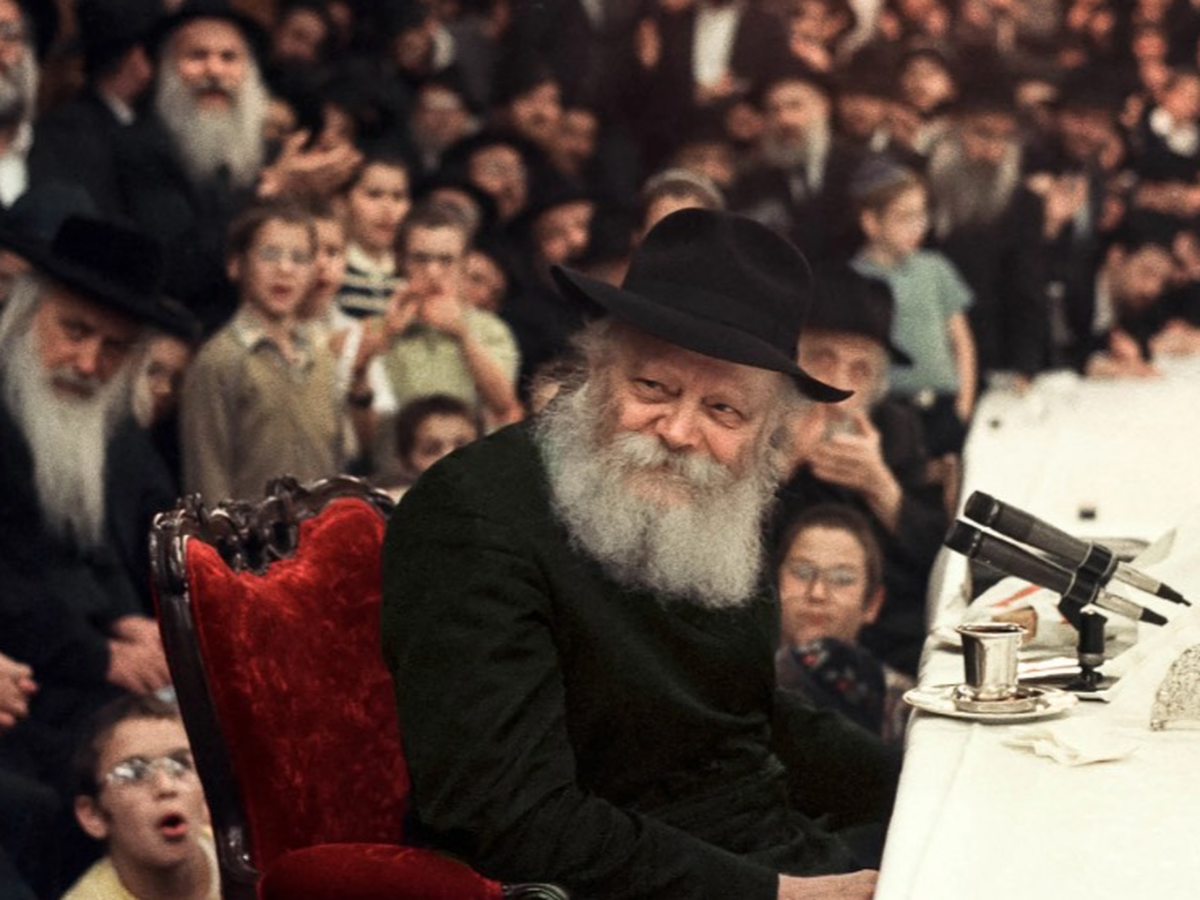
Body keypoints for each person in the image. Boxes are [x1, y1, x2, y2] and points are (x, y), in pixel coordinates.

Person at [383, 208, 898, 900]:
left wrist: (921, 779)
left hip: (766, 842)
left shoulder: (715, 495)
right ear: (597, 370)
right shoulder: (473, 515)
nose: (679, 431)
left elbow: (744, 714)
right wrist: (778, 894)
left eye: (723, 411)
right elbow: (507, 816)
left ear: (766, 433)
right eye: (653, 388)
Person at [781, 263, 947, 677]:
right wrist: (784, 466)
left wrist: (883, 490)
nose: (838, 387)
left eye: (859, 370)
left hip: (882, 639)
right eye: (823, 361)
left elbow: (940, 557)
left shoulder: (896, 428)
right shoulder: (760, 425)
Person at [180, 199, 343, 501]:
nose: (285, 269)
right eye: (269, 254)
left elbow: (335, 461)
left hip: (318, 526)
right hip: (252, 528)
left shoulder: (320, 355)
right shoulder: (219, 359)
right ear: (236, 265)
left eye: (299, 258)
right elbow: (207, 472)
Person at [849, 157, 977, 455]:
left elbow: (962, 341)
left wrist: (963, 405)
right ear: (871, 222)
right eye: (905, 218)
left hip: (943, 407)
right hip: (888, 410)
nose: (918, 226)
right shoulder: (853, 279)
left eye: (922, 215)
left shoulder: (936, 268)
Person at [775, 503, 914, 745]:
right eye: (801, 572)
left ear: (872, 603)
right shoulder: (737, 682)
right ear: (775, 586)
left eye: (842, 579)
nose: (817, 593)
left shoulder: (903, 706)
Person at [63, 694, 218, 900]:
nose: (166, 786)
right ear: (93, 815)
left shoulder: (249, 855)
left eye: (180, 763)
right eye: (133, 773)